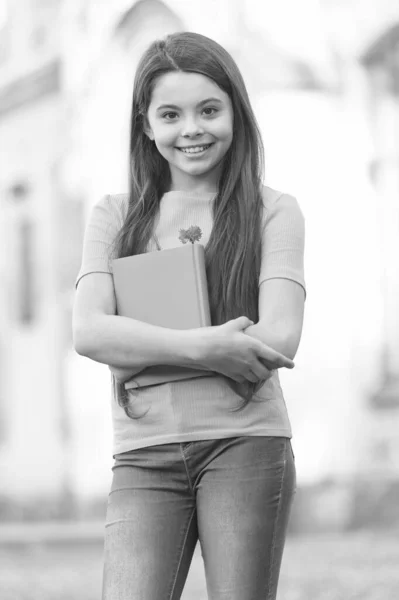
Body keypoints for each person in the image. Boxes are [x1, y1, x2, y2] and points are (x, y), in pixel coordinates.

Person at [73, 31, 306, 600]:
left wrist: (139, 353)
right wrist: (208, 348)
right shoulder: (114, 217)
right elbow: (89, 331)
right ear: (147, 125)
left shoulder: (273, 211)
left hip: (245, 444)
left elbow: (278, 338)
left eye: (209, 110)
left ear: (236, 113)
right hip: (142, 456)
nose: (192, 129)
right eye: (170, 114)